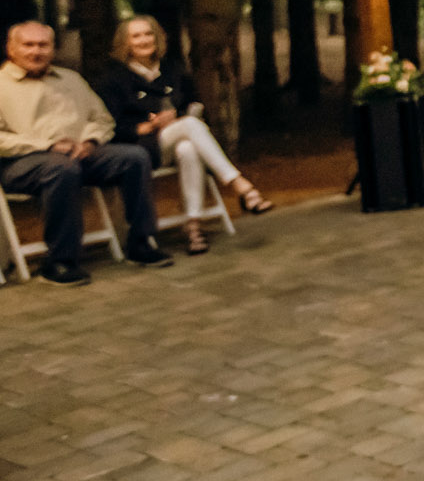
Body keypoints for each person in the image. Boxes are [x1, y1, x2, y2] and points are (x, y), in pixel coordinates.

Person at [0, 21, 173, 285]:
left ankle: (140, 243)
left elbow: (102, 119)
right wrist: (46, 145)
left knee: (133, 157)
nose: (36, 51)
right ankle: (60, 260)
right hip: (21, 163)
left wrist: (90, 140)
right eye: (28, 45)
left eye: (43, 45)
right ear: (11, 49)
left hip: (81, 153)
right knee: (61, 168)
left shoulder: (71, 79)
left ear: (52, 49)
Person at [94, 16, 273, 254]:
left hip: (175, 139)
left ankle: (193, 225)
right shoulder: (113, 80)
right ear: (125, 43)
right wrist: (145, 127)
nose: (144, 40)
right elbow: (109, 125)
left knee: (188, 147)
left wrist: (175, 115)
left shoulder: (172, 70)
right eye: (136, 36)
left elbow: (193, 104)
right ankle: (240, 186)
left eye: (148, 34)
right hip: (140, 148)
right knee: (189, 126)